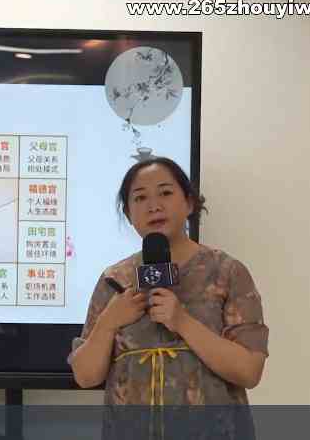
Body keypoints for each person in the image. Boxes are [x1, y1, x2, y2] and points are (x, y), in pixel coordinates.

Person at [68, 157, 269, 438]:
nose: (154, 206)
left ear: (189, 203)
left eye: (165, 193)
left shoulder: (226, 272)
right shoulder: (114, 280)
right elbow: (86, 376)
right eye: (140, 198)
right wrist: (108, 323)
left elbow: (249, 371)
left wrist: (182, 322)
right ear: (128, 214)